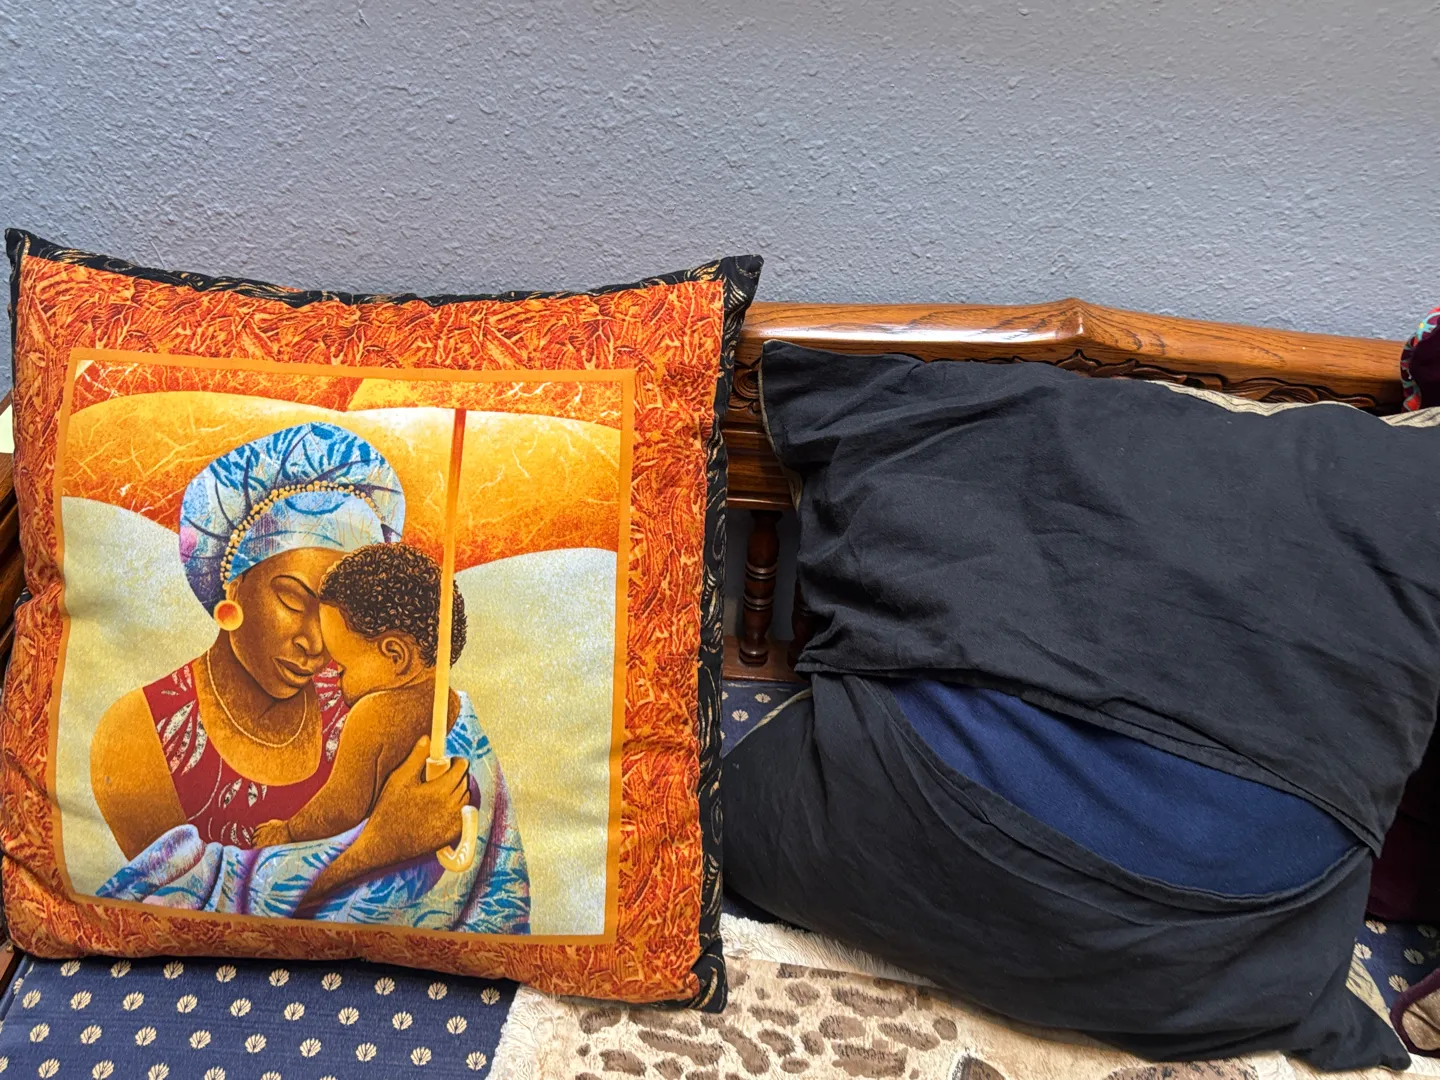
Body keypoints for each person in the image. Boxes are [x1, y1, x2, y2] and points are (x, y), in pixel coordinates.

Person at [91, 422, 529, 933]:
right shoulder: (142, 733)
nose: (317, 644)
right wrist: (374, 847)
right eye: (293, 599)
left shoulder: (372, 694)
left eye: (339, 623)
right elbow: (177, 917)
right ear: (234, 585)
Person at [252, 542, 470, 849]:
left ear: (395, 655)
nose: (334, 675)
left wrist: (288, 831)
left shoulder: (374, 715)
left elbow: (339, 810)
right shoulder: (452, 703)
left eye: (343, 666)